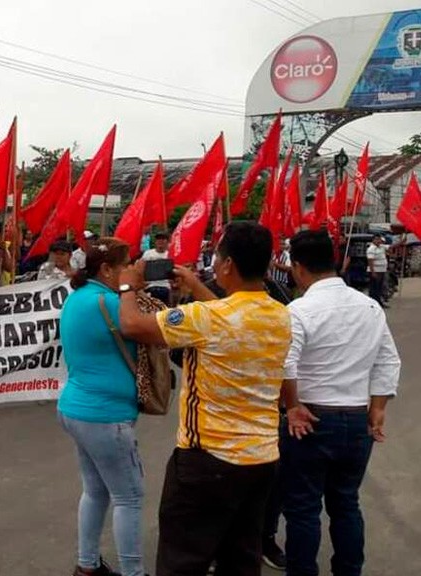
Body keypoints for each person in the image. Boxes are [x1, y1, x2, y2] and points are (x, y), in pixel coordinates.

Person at [118, 221, 291, 575]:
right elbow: (230, 320)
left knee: (183, 560)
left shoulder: (205, 317)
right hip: (261, 460)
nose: (213, 264)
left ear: (227, 265)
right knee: (241, 559)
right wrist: (197, 286)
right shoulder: (280, 314)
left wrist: (127, 285)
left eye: (217, 257)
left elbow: (133, 326)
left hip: (207, 461)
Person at [280, 230, 401, 576]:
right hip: (356, 419)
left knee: (302, 509)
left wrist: (291, 406)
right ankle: (349, 570)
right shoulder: (370, 307)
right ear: (336, 261)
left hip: (310, 418)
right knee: (346, 503)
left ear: (298, 267)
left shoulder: (299, 310)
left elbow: (285, 362)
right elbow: (388, 360)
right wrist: (377, 408)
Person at [58, 238, 144, 576]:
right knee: (130, 497)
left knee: (95, 491)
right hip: (105, 416)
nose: (133, 269)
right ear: (107, 270)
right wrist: (131, 290)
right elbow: (153, 329)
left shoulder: (79, 297)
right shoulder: (111, 302)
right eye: (127, 265)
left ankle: (87, 565)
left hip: (77, 409)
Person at [141, 231, 172, 306]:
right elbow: (141, 268)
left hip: (166, 286)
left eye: (163, 239)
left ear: (167, 242)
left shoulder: (170, 255)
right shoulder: (148, 254)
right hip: (150, 286)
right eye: (158, 239)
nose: (160, 241)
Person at [366, 234, 389, 307]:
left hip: (382, 270)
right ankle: (373, 303)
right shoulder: (371, 249)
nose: (378, 241)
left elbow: (392, 246)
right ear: (373, 240)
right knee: (374, 288)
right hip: (375, 271)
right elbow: (370, 261)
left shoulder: (382, 247)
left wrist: (401, 242)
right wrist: (373, 272)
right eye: (376, 239)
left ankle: (379, 302)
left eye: (379, 239)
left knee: (379, 288)